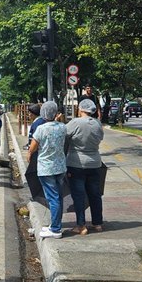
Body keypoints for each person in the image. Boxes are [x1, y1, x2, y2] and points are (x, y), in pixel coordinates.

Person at [28, 101, 67, 239]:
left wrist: (29, 155)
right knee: (58, 197)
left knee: (52, 198)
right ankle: (56, 224)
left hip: (46, 168)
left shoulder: (41, 129)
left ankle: (56, 229)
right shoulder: (63, 127)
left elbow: (32, 147)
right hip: (60, 166)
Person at [65, 98, 105, 235]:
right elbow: (100, 138)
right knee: (95, 194)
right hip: (95, 163)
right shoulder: (98, 124)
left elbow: (64, 136)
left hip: (76, 163)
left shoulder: (75, 122)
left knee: (78, 195)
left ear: (80, 109)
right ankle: (97, 223)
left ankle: (81, 225)